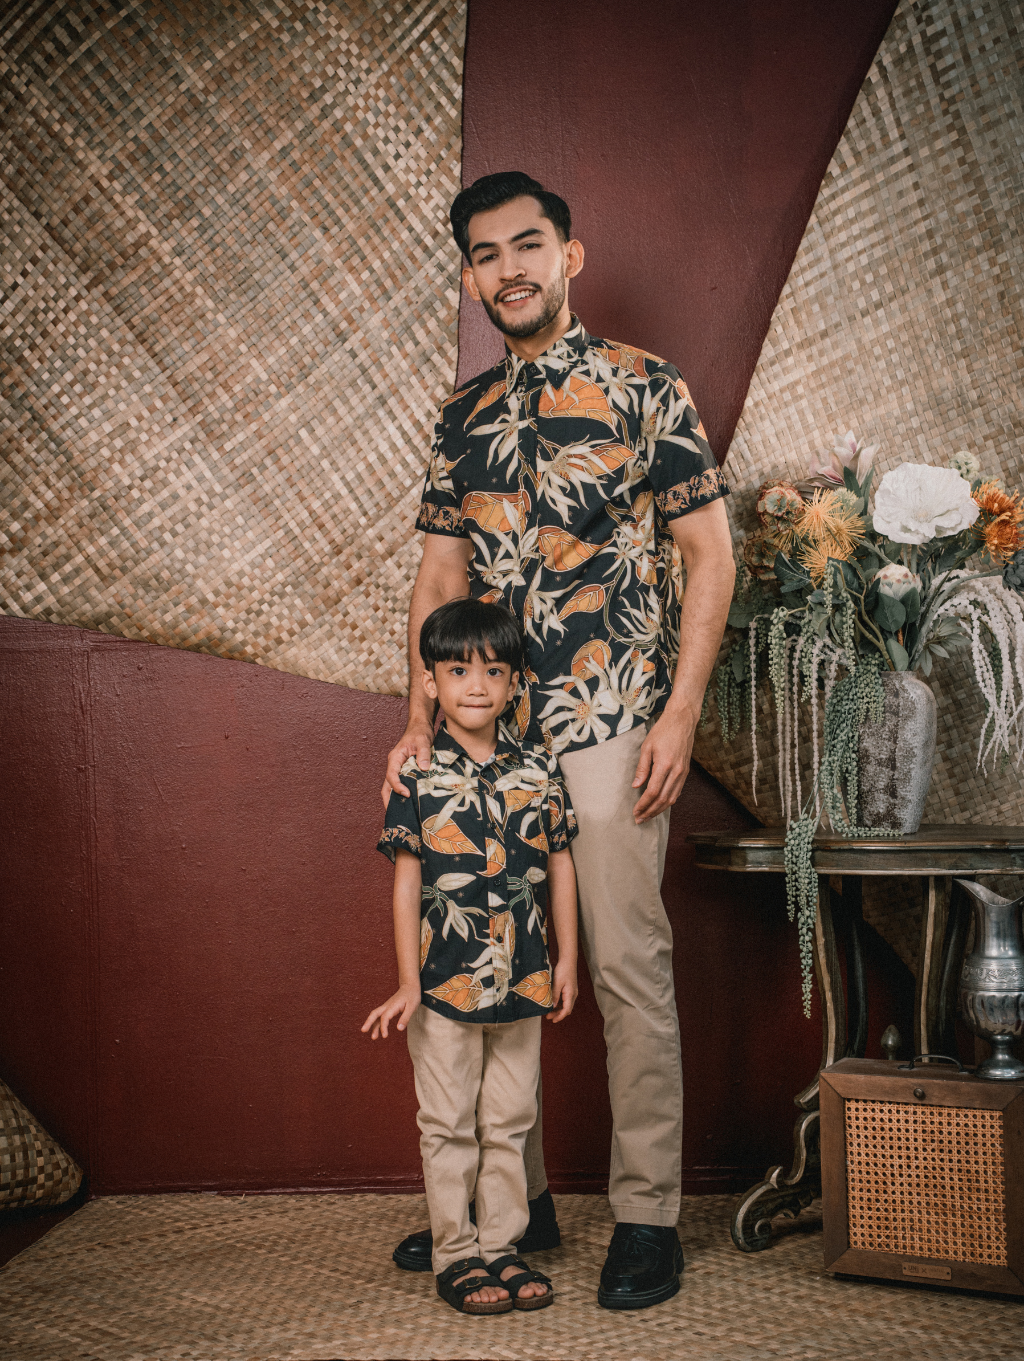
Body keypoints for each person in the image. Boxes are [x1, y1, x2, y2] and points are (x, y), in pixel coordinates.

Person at [384, 171, 736, 1310]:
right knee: (491, 954)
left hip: (611, 718)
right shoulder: (462, 417)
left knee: (626, 961)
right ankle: (511, 1206)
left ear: (568, 255)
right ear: (470, 276)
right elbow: (440, 578)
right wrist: (418, 720)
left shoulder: (645, 385)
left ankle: (646, 1215)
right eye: (486, 254)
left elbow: (710, 555)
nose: (510, 268)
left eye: (527, 244)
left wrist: (678, 713)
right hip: (490, 735)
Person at [363, 596, 579, 1315]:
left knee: (509, 1119)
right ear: (430, 683)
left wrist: (568, 961)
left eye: (493, 671)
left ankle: (502, 1246)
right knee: (449, 1120)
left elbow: (560, 865)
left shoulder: (539, 769)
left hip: (524, 978)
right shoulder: (417, 774)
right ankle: (455, 1253)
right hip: (443, 983)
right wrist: (407, 982)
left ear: (515, 682)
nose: (476, 685)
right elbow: (406, 882)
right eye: (458, 671)